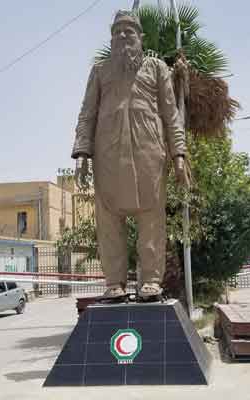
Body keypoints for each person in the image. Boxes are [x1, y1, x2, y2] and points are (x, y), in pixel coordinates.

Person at [71, 10, 189, 299]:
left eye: (129, 31)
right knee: (109, 222)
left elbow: (170, 114)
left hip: (149, 154)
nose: (122, 36)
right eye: (117, 31)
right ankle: (114, 283)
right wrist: (83, 153)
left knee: (151, 220)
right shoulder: (100, 71)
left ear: (140, 37)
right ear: (111, 38)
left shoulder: (157, 68)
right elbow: (87, 114)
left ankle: (150, 281)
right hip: (108, 156)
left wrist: (179, 154)